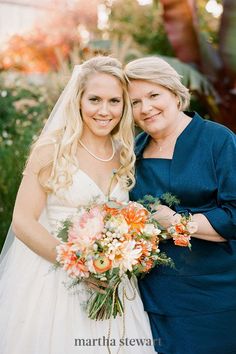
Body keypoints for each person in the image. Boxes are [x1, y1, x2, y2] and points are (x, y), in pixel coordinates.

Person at [0, 56, 156, 354]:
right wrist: (78, 266)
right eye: (94, 99)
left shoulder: (126, 154)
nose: (104, 110)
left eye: (114, 101)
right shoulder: (52, 151)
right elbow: (23, 221)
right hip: (53, 281)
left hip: (112, 283)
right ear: (78, 100)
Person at [124, 56, 236, 354]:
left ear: (175, 93)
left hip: (213, 298)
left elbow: (235, 215)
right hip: (153, 298)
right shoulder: (134, 151)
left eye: (153, 95)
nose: (146, 108)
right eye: (135, 102)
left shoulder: (218, 141)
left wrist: (177, 222)